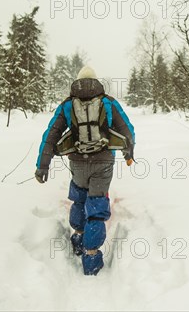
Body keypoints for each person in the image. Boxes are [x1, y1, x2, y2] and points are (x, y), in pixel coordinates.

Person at [34, 66, 135, 275]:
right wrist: (128, 153)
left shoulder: (68, 105)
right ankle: (91, 258)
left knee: (79, 200)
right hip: (103, 162)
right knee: (97, 208)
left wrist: (42, 165)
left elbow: (51, 135)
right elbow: (127, 129)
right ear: (96, 81)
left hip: (78, 163)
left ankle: (78, 239)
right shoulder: (108, 102)